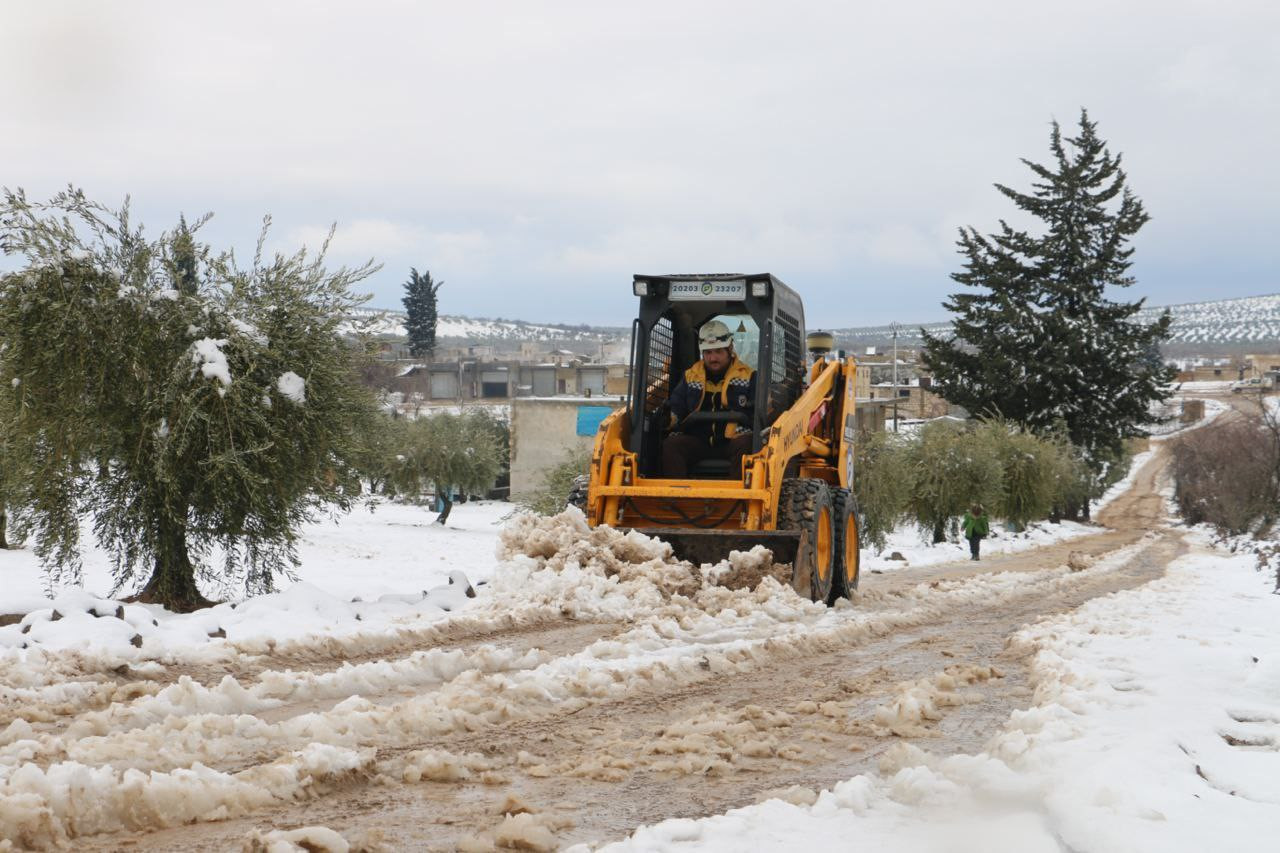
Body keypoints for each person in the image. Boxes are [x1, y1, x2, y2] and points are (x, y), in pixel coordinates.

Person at [662, 319, 756, 477]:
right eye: (708, 352)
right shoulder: (690, 377)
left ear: (730, 348)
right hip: (699, 441)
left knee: (747, 443)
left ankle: (737, 499)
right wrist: (667, 419)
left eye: (718, 351)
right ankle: (675, 498)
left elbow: (758, 415)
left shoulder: (749, 377)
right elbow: (677, 408)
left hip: (733, 441)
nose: (713, 358)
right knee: (671, 445)